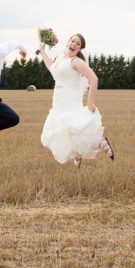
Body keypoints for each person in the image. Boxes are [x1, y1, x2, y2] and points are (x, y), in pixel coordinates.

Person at [38, 33, 115, 168]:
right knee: (62, 130)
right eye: (72, 41)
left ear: (80, 49)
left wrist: (90, 104)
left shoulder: (76, 62)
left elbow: (94, 79)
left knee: (72, 127)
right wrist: (43, 52)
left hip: (70, 99)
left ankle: (100, 143)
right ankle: (78, 154)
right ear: (68, 43)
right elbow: (52, 69)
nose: (74, 44)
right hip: (58, 99)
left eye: (77, 44)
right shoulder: (61, 59)